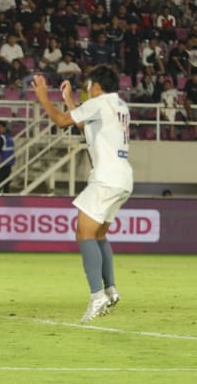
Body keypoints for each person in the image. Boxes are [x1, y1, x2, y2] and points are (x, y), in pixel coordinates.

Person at [31, 68, 130, 323]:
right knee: (98, 234)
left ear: (97, 86)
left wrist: (43, 96)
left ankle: (97, 296)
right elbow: (86, 123)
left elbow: (62, 121)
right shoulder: (119, 105)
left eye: (89, 86)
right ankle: (110, 289)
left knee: (83, 233)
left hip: (106, 177)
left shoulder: (98, 102)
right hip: (122, 177)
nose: (88, 90)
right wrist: (68, 100)